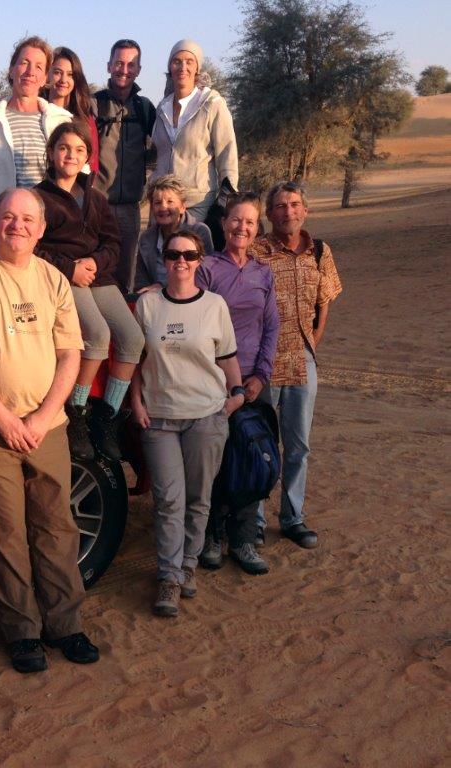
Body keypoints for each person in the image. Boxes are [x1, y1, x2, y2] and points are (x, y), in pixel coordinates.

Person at [0, 187, 99, 673]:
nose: (18, 226)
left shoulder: (52, 280)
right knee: (3, 534)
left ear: (42, 228)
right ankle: (23, 632)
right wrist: (4, 419)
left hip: (47, 425)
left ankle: (65, 624)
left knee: (57, 528)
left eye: (28, 219)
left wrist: (41, 416)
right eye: (8, 217)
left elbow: (70, 354)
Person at [130, 229, 244, 618]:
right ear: (164, 259)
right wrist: (136, 401)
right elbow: (135, 360)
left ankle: (188, 566)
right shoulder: (147, 305)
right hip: (160, 417)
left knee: (198, 498)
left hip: (206, 416)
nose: (181, 261)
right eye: (174, 254)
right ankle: (168, 576)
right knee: (168, 500)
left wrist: (236, 396)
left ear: (200, 260)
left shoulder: (214, 306)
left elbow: (227, 358)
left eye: (189, 255)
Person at [34, 121, 144, 462]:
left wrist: (96, 261)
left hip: (98, 275)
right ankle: (77, 411)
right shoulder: (38, 198)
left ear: (87, 158)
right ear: (51, 153)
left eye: (79, 150)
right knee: (96, 334)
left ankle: (107, 416)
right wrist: (71, 269)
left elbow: (113, 241)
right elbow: (34, 248)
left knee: (133, 338)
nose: (71, 155)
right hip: (64, 277)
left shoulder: (96, 198)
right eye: (64, 148)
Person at [251, 181, 342, 549]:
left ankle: (292, 517)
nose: (288, 211)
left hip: (303, 357)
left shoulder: (320, 250)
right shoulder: (256, 251)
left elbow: (325, 298)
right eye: (280, 206)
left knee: (298, 444)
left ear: (305, 210)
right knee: (260, 442)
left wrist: (315, 338)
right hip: (264, 359)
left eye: (294, 204)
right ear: (269, 214)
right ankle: (253, 520)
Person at [195, 193, 279, 574]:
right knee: (217, 460)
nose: (241, 227)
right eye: (235, 220)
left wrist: (260, 376)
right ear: (223, 223)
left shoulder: (263, 273)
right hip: (215, 383)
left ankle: (243, 539)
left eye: (249, 222)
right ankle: (213, 536)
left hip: (254, 382)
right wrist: (226, 382)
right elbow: (199, 325)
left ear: (257, 229)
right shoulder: (208, 269)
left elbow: (271, 327)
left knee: (251, 457)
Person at [0, 36, 71, 257]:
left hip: (49, 234)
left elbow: (75, 176)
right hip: (2, 231)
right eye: (24, 63)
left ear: (45, 78)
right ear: (11, 70)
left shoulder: (61, 122)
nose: (30, 72)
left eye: (38, 66)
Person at [92, 39, 157, 293]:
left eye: (131, 65)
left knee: (126, 274)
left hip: (131, 207)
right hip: (98, 206)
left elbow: (161, 145)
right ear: (109, 66)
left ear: (139, 70)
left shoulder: (144, 107)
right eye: (119, 63)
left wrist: (144, 171)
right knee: (97, 270)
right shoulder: (93, 104)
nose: (124, 70)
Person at [152, 40, 238, 222]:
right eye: (177, 61)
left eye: (189, 61)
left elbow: (227, 154)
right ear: (170, 67)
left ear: (197, 67)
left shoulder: (212, 104)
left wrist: (226, 200)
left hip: (197, 204)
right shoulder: (162, 109)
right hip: (162, 204)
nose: (182, 67)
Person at [135, 174, 213, 292]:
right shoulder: (146, 237)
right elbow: (140, 280)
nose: (163, 207)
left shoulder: (199, 232)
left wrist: (163, 287)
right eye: (157, 203)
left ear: (182, 207)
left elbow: (204, 276)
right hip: (154, 297)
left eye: (170, 201)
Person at [44, 47, 100, 174]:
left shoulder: (86, 119)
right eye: (57, 72)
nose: (63, 80)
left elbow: (93, 165)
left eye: (70, 75)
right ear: (47, 75)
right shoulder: (37, 113)